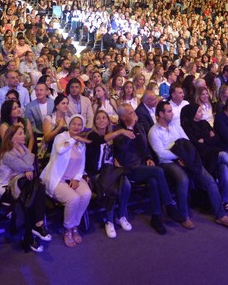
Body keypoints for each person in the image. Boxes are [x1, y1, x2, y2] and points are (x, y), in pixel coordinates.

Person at [148, 101, 228, 229]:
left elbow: (187, 142)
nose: (172, 113)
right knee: (183, 179)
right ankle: (184, 216)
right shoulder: (154, 132)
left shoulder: (175, 126)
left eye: (172, 110)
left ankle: (220, 215)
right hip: (168, 163)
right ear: (161, 114)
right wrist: (179, 155)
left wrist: (183, 155)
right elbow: (161, 154)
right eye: (169, 111)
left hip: (186, 158)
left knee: (209, 180)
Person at [113, 103, 185, 234]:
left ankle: (156, 217)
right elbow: (122, 149)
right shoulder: (117, 130)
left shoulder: (139, 127)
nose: (134, 114)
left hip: (142, 166)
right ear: (123, 117)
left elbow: (144, 148)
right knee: (158, 171)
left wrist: (148, 158)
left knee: (153, 180)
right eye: (130, 113)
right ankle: (169, 205)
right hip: (128, 168)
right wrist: (129, 128)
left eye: (134, 112)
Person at [0, 125, 51, 253]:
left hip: (21, 186)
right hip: (5, 190)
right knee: (37, 187)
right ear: (12, 138)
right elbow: (29, 165)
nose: (24, 136)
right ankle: (38, 225)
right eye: (20, 133)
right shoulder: (6, 154)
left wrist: (23, 156)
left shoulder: (22, 149)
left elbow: (30, 161)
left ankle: (31, 236)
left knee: (32, 194)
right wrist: (26, 168)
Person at [40, 115, 92, 247]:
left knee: (86, 195)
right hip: (58, 178)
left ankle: (75, 225)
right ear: (69, 125)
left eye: (79, 125)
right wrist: (74, 139)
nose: (76, 127)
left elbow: (82, 164)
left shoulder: (81, 143)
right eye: (74, 124)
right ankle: (67, 229)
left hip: (73, 177)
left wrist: (76, 178)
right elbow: (60, 149)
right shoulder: (61, 137)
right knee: (73, 198)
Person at [85, 110, 132, 238]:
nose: (101, 120)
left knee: (126, 185)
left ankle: (121, 215)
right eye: (98, 118)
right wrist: (121, 131)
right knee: (111, 188)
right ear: (94, 121)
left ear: (108, 121)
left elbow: (115, 152)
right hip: (96, 172)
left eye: (104, 118)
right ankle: (109, 221)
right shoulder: (92, 136)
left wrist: (116, 159)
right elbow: (101, 141)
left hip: (110, 170)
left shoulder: (111, 137)